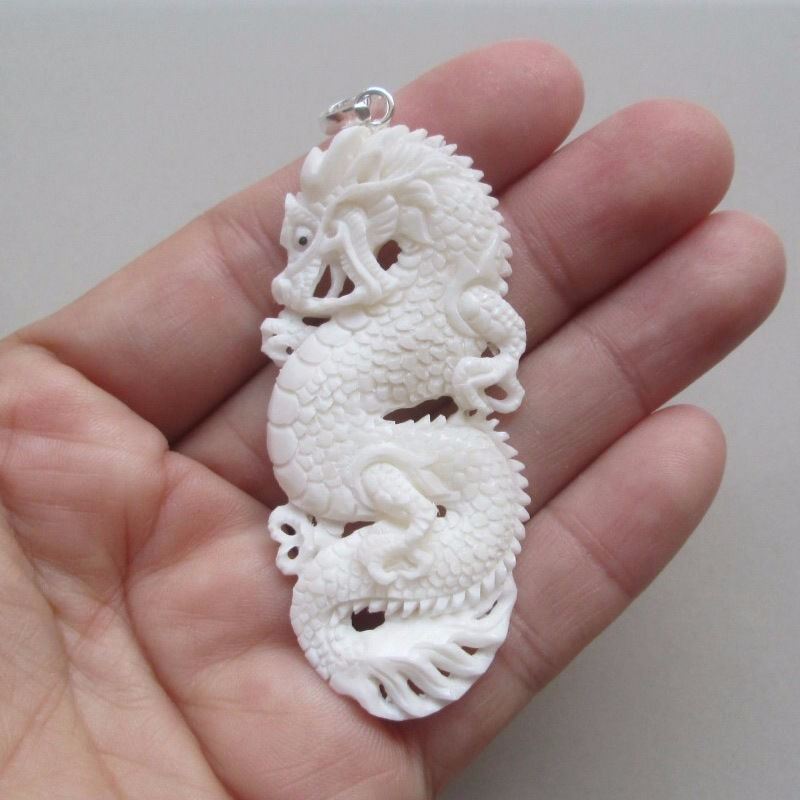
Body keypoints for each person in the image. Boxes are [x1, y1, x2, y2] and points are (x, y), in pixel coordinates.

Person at [0, 40, 785, 799]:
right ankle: (394, 561)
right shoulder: (415, 284)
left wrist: (486, 373)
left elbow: (495, 328)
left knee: (385, 499)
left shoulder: (451, 289)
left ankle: (404, 549)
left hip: (380, 470)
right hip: (374, 457)